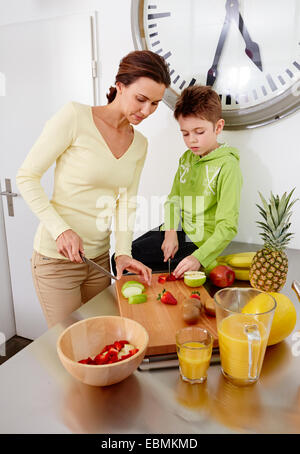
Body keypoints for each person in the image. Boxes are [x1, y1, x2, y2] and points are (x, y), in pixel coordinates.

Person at [16, 50, 171, 327]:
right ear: (120, 87)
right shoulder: (75, 117)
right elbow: (27, 177)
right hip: (56, 262)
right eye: (141, 99)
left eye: (155, 104)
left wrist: (123, 252)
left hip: (98, 261)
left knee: (103, 339)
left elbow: (127, 202)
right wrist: (61, 230)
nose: (147, 111)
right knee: (72, 346)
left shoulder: (140, 144)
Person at [114, 85, 242, 278]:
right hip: (179, 231)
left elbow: (228, 226)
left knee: (138, 269)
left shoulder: (228, 166)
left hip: (200, 245)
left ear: (218, 127)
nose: (192, 141)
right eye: (185, 133)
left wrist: (198, 257)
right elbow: (174, 199)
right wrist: (170, 232)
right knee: (123, 257)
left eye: (199, 132)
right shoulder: (187, 159)